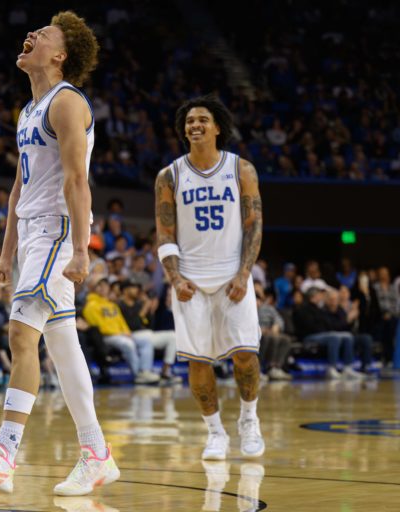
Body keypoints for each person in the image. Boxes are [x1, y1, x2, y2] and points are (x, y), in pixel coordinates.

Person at [0, 12, 119, 496]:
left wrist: (83, 250)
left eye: (43, 34)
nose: (31, 36)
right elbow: (17, 190)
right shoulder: (29, 110)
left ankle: (4, 455)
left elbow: (76, 180)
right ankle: (96, 454)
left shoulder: (66, 102)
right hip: (33, 237)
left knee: (21, 335)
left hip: (58, 233)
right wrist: (7, 254)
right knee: (64, 350)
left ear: (60, 54)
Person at [154, 95, 265, 460]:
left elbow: (254, 224)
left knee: (246, 355)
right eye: (189, 121)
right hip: (190, 281)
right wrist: (175, 278)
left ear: (218, 126)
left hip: (234, 276)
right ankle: (215, 432)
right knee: (198, 361)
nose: (195, 125)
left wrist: (244, 272)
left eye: (202, 119)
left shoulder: (241, 169)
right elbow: (165, 233)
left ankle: (249, 420)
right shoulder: (169, 175)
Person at [82, 276, 160, 384]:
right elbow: (99, 327)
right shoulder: (90, 306)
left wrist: (127, 331)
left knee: (145, 341)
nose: (104, 288)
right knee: (128, 344)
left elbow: (121, 321)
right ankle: (138, 375)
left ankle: (145, 371)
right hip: (106, 337)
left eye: (105, 285)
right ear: (95, 288)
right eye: (101, 286)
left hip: (121, 334)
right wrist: (121, 333)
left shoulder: (112, 304)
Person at [117, 280, 180, 384]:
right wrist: (144, 309)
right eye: (133, 288)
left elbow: (150, 325)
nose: (136, 290)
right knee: (146, 339)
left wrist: (151, 311)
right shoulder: (120, 305)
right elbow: (132, 325)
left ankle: (165, 372)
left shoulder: (138, 303)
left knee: (173, 336)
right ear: (125, 290)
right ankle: (144, 373)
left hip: (147, 333)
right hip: (131, 335)